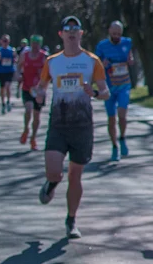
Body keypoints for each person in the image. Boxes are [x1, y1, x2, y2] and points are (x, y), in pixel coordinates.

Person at [35, 17, 109, 239]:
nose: (71, 33)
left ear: (81, 34)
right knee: (54, 171)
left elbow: (106, 92)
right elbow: (42, 86)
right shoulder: (52, 62)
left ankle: (71, 219)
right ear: (61, 34)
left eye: (75, 29)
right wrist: (39, 94)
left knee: (75, 175)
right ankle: (51, 183)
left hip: (82, 126)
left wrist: (94, 93)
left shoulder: (91, 61)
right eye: (67, 29)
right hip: (58, 124)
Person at [95, 20, 134, 161]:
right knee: (111, 118)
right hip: (109, 86)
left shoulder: (127, 42)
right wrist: (102, 64)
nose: (116, 36)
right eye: (114, 33)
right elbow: (96, 63)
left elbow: (130, 57)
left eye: (118, 34)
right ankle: (114, 146)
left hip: (124, 84)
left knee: (122, 114)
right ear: (109, 32)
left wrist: (130, 60)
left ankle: (122, 137)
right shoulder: (102, 46)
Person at [18, 35, 48, 150]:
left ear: (40, 45)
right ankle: (26, 129)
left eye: (37, 44)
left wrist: (43, 89)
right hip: (27, 87)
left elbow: (48, 75)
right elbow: (18, 67)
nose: (35, 46)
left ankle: (33, 138)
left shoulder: (44, 57)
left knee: (36, 115)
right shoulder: (24, 55)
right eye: (33, 43)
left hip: (39, 90)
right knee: (28, 109)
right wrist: (18, 75)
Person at [0, 35, 16, 113]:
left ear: (9, 41)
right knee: (2, 88)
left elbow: (15, 60)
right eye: (4, 41)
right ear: (1, 41)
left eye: (6, 41)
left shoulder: (12, 50)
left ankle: (8, 101)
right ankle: (3, 103)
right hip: (1, 71)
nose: (5, 42)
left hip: (9, 71)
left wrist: (14, 59)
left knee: (8, 86)